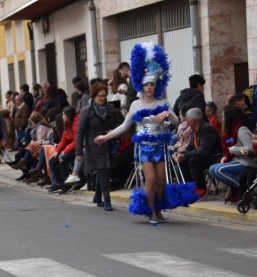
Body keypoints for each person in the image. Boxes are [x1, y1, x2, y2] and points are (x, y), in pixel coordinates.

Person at [96, 43, 190, 224]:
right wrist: (105, 137)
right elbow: (124, 126)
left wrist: (168, 114)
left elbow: (177, 122)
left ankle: (159, 208)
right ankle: (151, 211)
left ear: (156, 86)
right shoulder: (136, 105)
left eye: (152, 84)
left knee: (161, 182)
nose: (149, 88)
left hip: (161, 147)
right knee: (151, 178)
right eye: (146, 84)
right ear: (141, 85)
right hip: (144, 148)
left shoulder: (162, 101)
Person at [75, 82, 124, 211]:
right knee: (103, 170)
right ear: (94, 96)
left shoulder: (111, 109)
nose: (102, 98)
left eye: (104, 95)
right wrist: (78, 151)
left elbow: (121, 123)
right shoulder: (87, 111)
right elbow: (80, 132)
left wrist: (112, 130)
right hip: (94, 146)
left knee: (105, 170)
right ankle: (107, 200)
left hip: (109, 144)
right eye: (99, 96)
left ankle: (97, 195)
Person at [208, 105, 257, 203]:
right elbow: (229, 148)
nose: (222, 119)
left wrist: (234, 149)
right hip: (238, 160)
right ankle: (242, 189)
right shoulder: (230, 130)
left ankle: (246, 190)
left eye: (223, 117)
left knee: (220, 170)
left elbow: (251, 150)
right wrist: (226, 156)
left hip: (247, 163)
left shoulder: (241, 130)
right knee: (212, 169)